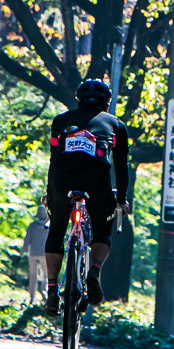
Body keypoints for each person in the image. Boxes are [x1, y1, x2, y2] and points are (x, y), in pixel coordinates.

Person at [43, 79, 130, 315]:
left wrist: (49, 193)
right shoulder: (116, 125)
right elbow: (121, 168)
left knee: (57, 228)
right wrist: (121, 199)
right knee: (102, 230)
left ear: (79, 100)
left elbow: (54, 159)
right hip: (96, 182)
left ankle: (52, 290)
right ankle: (94, 271)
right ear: (107, 103)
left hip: (62, 180)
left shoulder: (60, 121)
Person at [22, 205, 49, 304]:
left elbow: (27, 240)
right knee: (46, 275)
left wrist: (20, 254)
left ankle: (32, 298)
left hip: (33, 253)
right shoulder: (48, 226)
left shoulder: (32, 226)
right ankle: (44, 292)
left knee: (33, 276)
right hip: (44, 253)